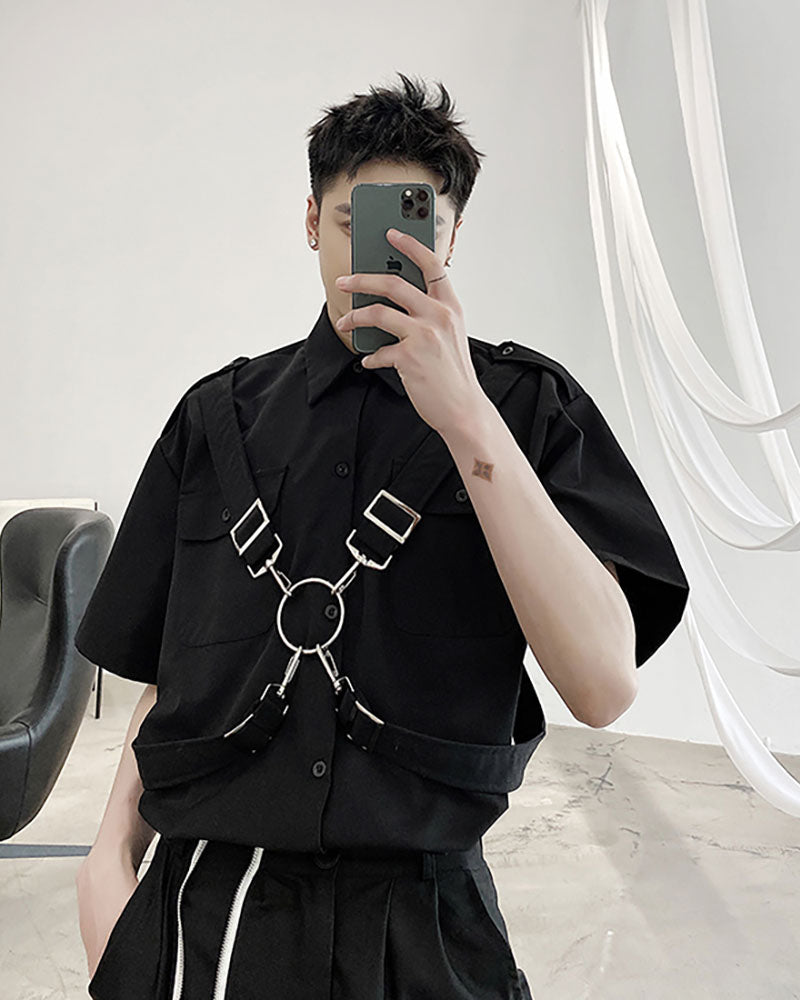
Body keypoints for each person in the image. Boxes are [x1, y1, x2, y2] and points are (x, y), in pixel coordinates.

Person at [74, 72, 689, 1000]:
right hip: (212, 912)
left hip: (428, 920)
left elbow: (603, 686)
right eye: (353, 218)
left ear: (452, 237)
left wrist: (468, 421)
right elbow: (172, 668)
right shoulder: (217, 418)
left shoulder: (528, 409)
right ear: (311, 222)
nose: (385, 250)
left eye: (417, 224)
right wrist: (106, 860)